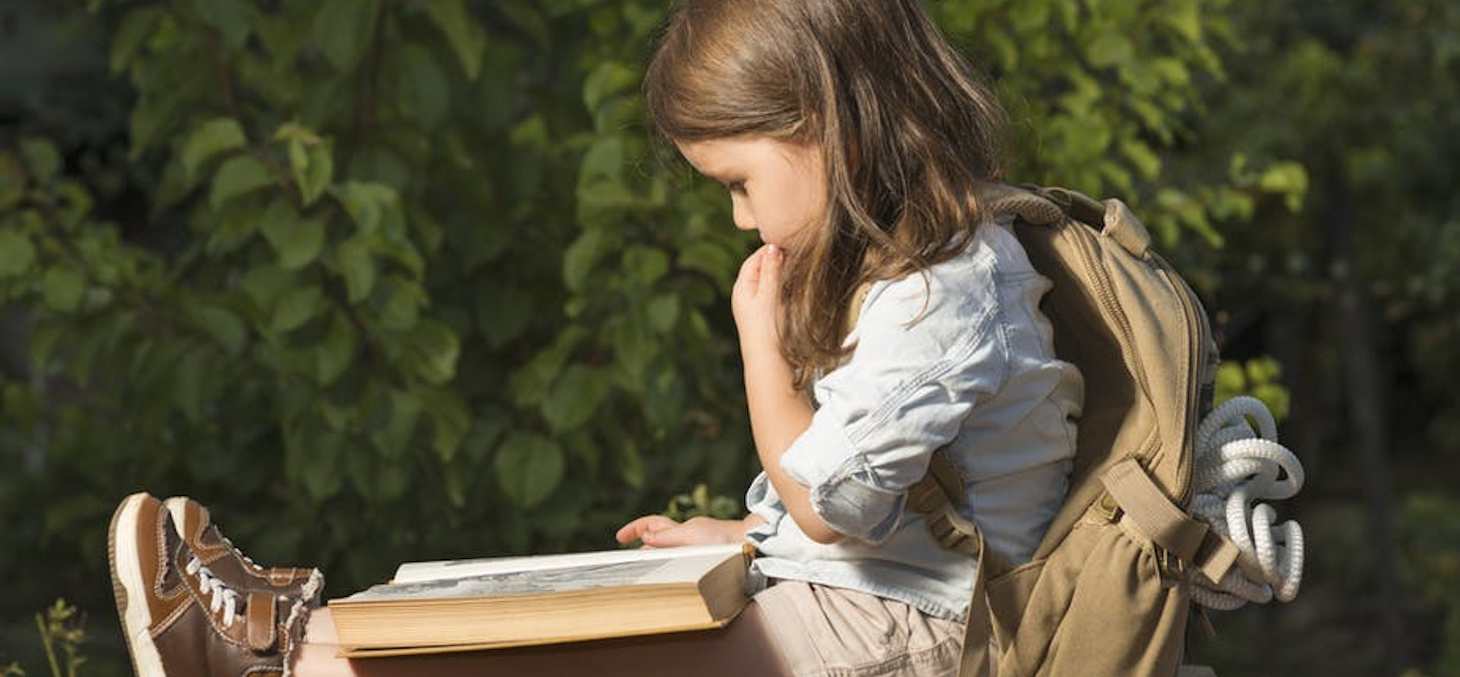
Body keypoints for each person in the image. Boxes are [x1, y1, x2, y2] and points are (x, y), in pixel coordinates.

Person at [105, 0, 1083, 675]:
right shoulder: (934, 272)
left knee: (524, 658)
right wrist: (747, 533)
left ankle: (260, 652)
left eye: (738, 182)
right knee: (515, 638)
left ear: (831, 127)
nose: (740, 220)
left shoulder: (939, 295)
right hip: (868, 601)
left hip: (908, 636)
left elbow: (832, 503)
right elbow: (902, 498)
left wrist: (762, 345)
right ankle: (280, 643)